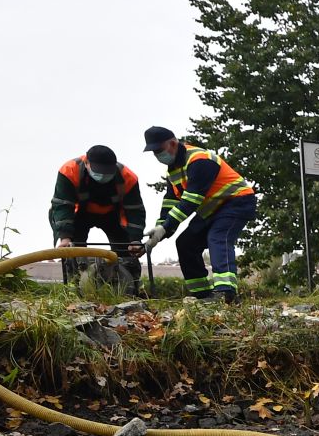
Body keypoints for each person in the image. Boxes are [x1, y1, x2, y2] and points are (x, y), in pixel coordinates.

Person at [142, 126, 257, 303]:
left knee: (218, 237)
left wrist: (165, 229)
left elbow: (190, 202)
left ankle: (226, 293)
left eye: (159, 150)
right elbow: (170, 203)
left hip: (236, 202)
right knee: (186, 243)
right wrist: (158, 233)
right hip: (212, 209)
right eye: (154, 152)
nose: (157, 155)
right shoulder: (173, 170)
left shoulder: (200, 159)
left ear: (173, 143)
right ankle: (203, 295)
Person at [49, 145, 146, 291]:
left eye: (107, 173)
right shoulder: (69, 171)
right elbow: (63, 205)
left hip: (112, 215)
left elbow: (135, 210)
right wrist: (65, 237)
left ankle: (130, 289)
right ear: (87, 163)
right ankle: (74, 289)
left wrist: (135, 240)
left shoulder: (127, 177)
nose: (103, 176)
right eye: (99, 171)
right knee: (73, 251)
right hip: (78, 214)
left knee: (127, 252)